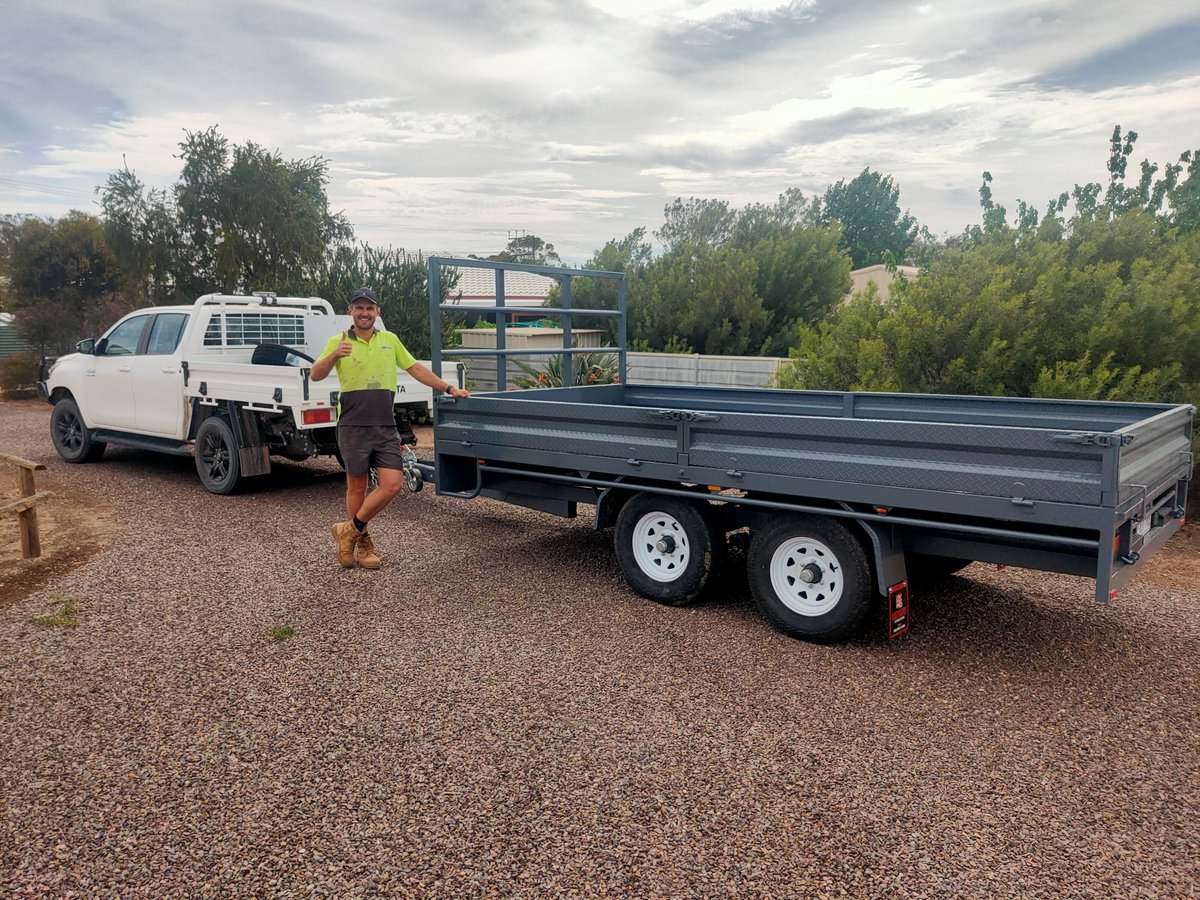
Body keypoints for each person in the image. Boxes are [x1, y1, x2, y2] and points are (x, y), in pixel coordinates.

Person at [311, 287, 468, 569]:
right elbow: (316, 374)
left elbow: (415, 369)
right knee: (356, 486)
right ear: (350, 311)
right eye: (358, 308)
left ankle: (348, 530)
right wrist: (335, 355)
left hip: (384, 425)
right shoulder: (339, 340)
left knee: (392, 484)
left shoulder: (390, 340)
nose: (364, 313)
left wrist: (448, 387)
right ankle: (363, 542)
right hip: (352, 425)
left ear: (377, 312)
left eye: (369, 308)